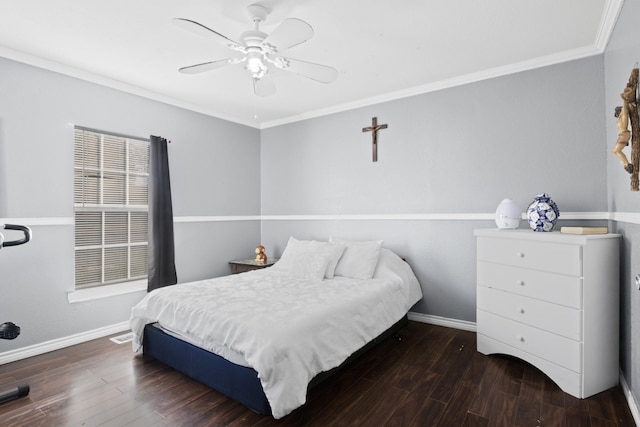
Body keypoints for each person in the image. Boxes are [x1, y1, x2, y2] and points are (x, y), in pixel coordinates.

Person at [612, 90, 633, 174]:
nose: (616, 114)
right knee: (614, 151)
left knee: (616, 151)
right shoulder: (619, 119)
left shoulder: (623, 116)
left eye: (617, 112)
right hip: (622, 135)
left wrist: (623, 99)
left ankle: (627, 164)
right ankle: (626, 164)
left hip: (624, 134)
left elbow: (624, 108)